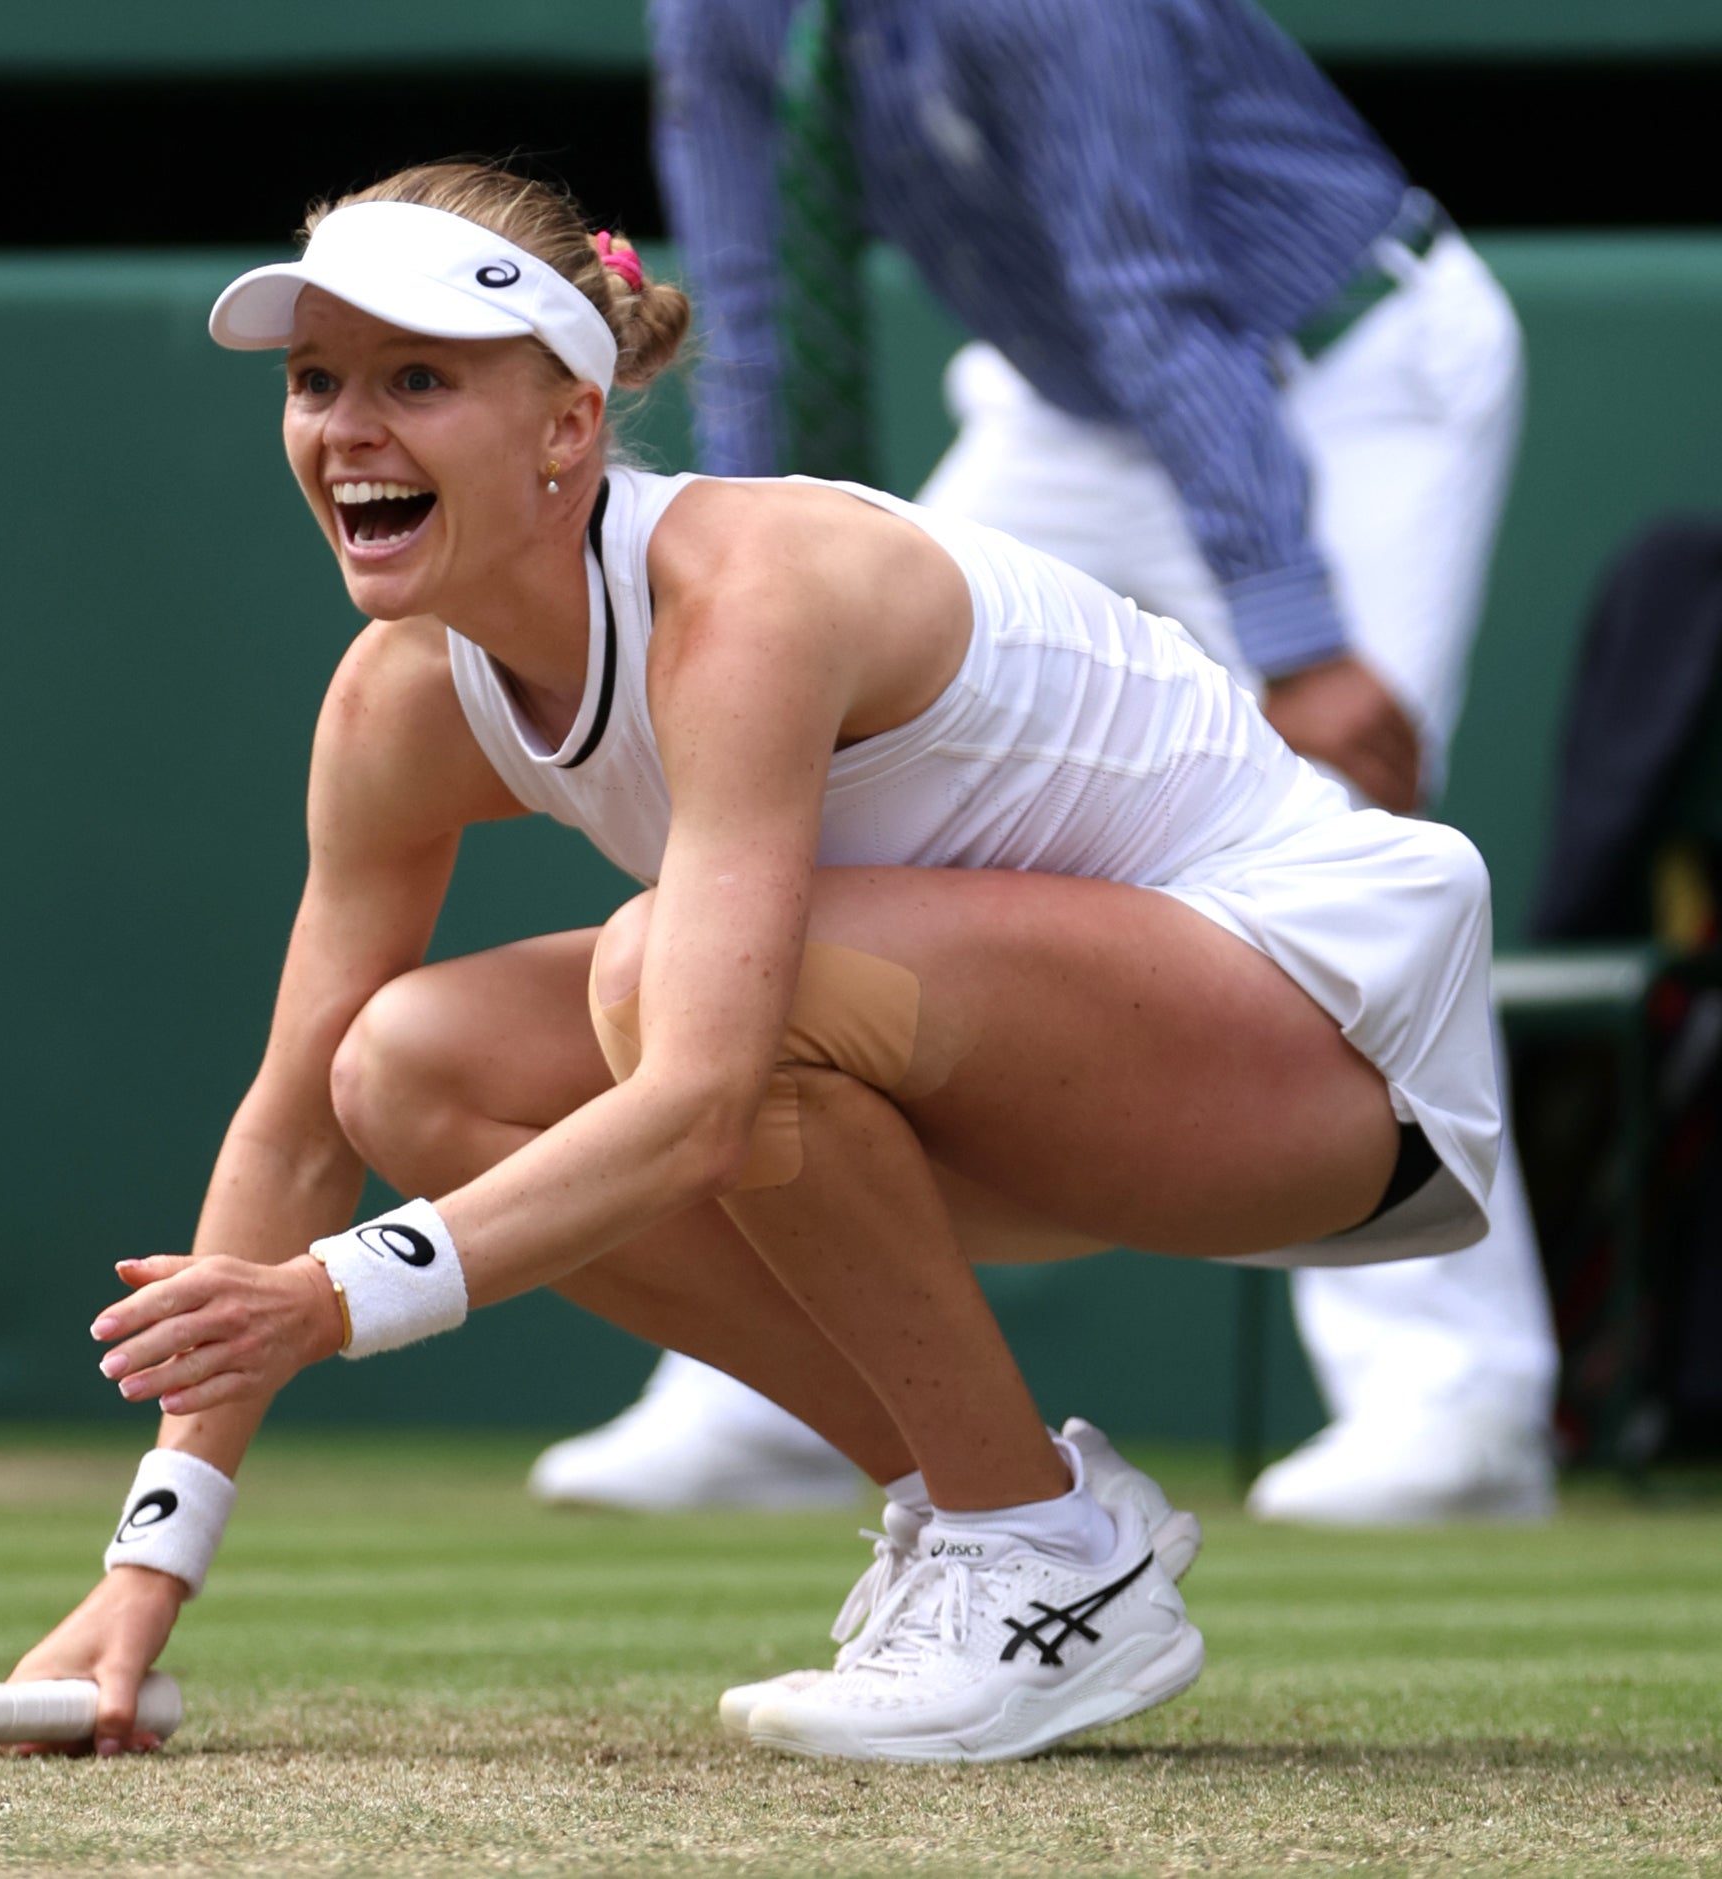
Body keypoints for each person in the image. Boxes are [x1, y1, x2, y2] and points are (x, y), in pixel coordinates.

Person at [2, 161, 1505, 1763]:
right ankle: (994, 1518)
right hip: (1002, 1087)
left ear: (567, 425)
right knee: (403, 1063)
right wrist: (146, 1568)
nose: (346, 429)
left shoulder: (749, 595)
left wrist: (335, 1297)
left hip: (1321, 1077)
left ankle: (1042, 1546)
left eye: (417, 379)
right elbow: (298, 1128)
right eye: (316, 383)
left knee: (680, 987)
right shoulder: (396, 700)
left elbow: (703, 1099)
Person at [531, 0, 1558, 1527]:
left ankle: (1453, 1403)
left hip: (1334, 369)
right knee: (804, 784)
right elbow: (739, 294)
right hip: (1067, 401)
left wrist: (1293, 621)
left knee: (1338, 846)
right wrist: (720, 616)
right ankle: (780, 1373)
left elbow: (1147, 274)